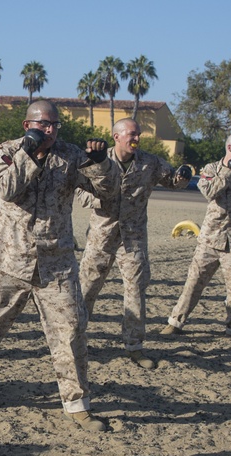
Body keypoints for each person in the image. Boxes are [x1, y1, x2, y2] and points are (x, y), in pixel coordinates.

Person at [0, 101, 114, 432]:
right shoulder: (6, 153)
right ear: (28, 126)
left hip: (56, 264)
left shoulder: (71, 155)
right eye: (44, 125)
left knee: (71, 331)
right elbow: (7, 189)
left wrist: (101, 164)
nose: (51, 131)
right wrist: (29, 154)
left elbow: (108, 194)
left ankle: (76, 403)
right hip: (8, 262)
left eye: (55, 125)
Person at [77, 118, 191, 369]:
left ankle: (134, 346)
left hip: (133, 238)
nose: (136, 138)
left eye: (138, 134)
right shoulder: (97, 159)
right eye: (131, 134)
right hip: (101, 236)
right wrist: (99, 201)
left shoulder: (149, 162)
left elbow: (171, 180)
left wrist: (182, 177)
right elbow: (78, 189)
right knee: (86, 289)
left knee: (136, 291)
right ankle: (75, 341)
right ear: (116, 136)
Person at [161, 134, 231, 340]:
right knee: (194, 282)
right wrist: (228, 170)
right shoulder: (210, 169)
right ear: (230, 147)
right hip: (210, 239)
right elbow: (209, 191)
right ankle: (176, 322)